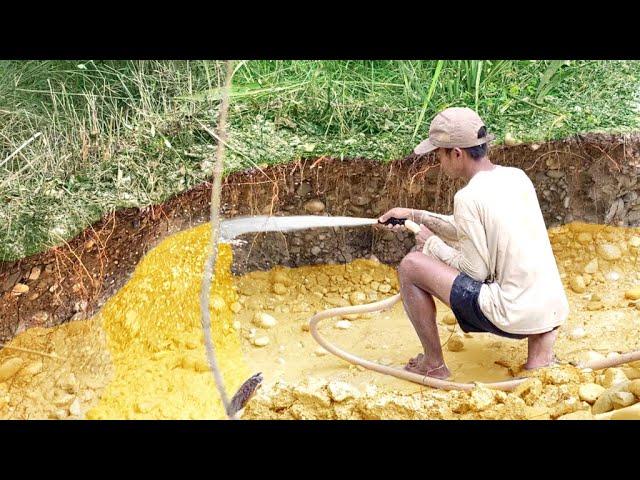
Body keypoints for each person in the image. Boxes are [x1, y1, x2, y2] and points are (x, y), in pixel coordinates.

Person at [379, 107, 569, 379]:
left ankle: (433, 364)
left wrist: (431, 244)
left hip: (512, 315)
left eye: (439, 154)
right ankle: (540, 359)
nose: (438, 162)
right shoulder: (516, 177)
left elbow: (474, 272)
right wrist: (414, 215)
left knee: (411, 265)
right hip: (549, 311)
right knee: (536, 362)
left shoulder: (468, 197)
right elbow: (468, 229)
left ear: (456, 153)